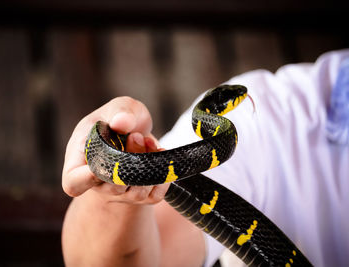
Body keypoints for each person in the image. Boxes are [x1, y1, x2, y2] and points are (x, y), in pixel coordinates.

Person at [61, 49, 349, 267]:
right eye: (235, 98)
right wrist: (115, 196)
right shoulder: (277, 113)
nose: (243, 98)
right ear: (221, 108)